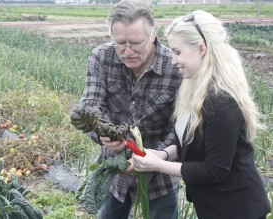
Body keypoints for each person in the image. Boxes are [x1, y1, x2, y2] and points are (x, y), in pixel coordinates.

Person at [132, 10, 271, 219]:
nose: (173, 60)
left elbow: (215, 170)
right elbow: (189, 144)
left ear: (201, 49)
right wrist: (163, 154)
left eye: (177, 52)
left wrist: (159, 165)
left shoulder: (221, 100)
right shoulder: (194, 90)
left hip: (237, 209)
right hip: (214, 206)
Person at [77, 0, 181, 218]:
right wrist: (103, 134)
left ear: (153, 35)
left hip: (159, 174)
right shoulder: (102, 57)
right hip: (114, 169)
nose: (127, 51)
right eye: (120, 43)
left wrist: (152, 157)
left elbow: (180, 129)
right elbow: (90, 107)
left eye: (135, 43)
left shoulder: (175, 66)